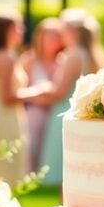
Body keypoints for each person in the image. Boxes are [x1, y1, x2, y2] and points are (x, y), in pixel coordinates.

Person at [0, 13, 51, 185]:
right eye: (17, 26)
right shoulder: (6, 57)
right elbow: (7, 96)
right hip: (4, 117)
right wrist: (38, 91)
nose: (22, 30)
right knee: (4, 173)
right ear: (5, 31)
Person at [39, 9, 104, 186]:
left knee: (65, 173)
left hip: (65, 113)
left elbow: (59, 91)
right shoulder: (92, 54)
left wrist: (30, 92)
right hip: (84, 115)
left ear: (72, 31)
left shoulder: (73, 54)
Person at [20, 17, 65, 171]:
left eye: (57, 35)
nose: (54, 39)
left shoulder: (63, 61)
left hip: (55, 114)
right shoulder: (28, 61)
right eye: (50, 35)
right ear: (40, 37)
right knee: (30, 154)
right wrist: (40, 92)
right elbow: (18, 90)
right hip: (33, 114)